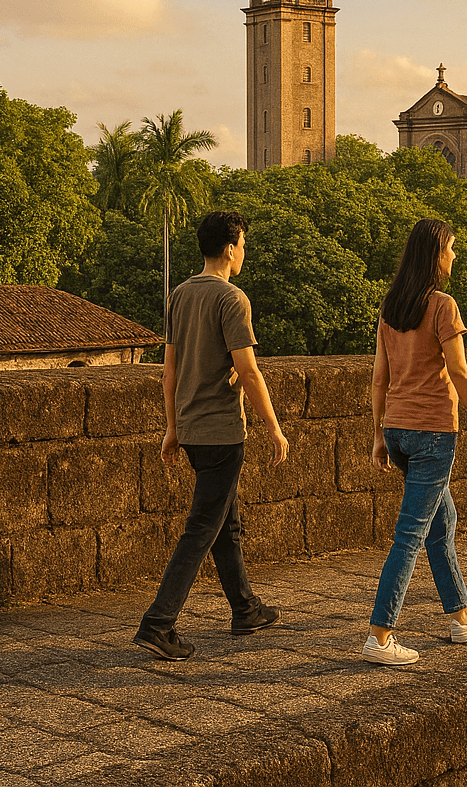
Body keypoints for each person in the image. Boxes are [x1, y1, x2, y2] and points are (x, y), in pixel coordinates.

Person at [134, 210, 288, 661]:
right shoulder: (232, 299)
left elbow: (169, 372)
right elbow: (248, 370)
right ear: (229, 247)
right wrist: (275, 429)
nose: (244, 252)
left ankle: (245, 608)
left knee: (225, 522)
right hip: (222, 431)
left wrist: (172, 428)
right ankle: (158, 622)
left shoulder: (179, 294)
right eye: (243, 244)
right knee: (202, 527)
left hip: (194, 429)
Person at [362, 219, 467, 666]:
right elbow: (460, 372)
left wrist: (379, 435)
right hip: (432, 433)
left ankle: (462, 616)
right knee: (410, 534)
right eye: (452, 249)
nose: (454, 257)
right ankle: (380, 636)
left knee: (441, 524)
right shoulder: (443, 306)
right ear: (435, 255)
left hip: (399, 430)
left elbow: (379, 377)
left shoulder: (392, 305)